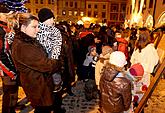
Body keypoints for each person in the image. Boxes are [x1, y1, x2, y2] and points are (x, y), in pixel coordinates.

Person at [11, 13, 61, 113]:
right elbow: (47, 65)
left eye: (38, 26)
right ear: (23, 27)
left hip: (39, 84)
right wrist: (57, 62)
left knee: (42, 108)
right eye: (34, 27)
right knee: (43, 109)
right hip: (37, 86)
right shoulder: (23, 46)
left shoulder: (27, 41)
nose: (38, 30)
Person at [37, 8, 65, 113]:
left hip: (39, 64)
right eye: (52, 18)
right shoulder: (55, 31)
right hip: (51, 65)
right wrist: (53, 64)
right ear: (48, 18)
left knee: (44, 89)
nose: (53, 20)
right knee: (56, 87)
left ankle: (46, 108)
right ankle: (56, 108)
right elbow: (56, 50)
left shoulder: (35, 29)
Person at [0, 10, 19, 113]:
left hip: (10, 66)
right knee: (9, 91)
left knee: (12, 91)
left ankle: (11, 109)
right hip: (6, 68)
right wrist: (10, 70)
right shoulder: (1, 32)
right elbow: (2, 54)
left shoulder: (5, 30)